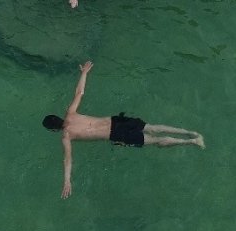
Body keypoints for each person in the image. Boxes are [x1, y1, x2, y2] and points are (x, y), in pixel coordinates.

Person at [43, 61, 203, 199]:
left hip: (116, 134)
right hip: (116, 120)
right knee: (153, 128)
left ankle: (192, 141)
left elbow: (67, 159)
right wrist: (84, 72)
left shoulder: (66, 135)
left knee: (155, 141)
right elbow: (80, 92)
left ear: (53, 130)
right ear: (59, 118)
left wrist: (67, 181)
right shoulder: (70, 113)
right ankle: (189, 132)